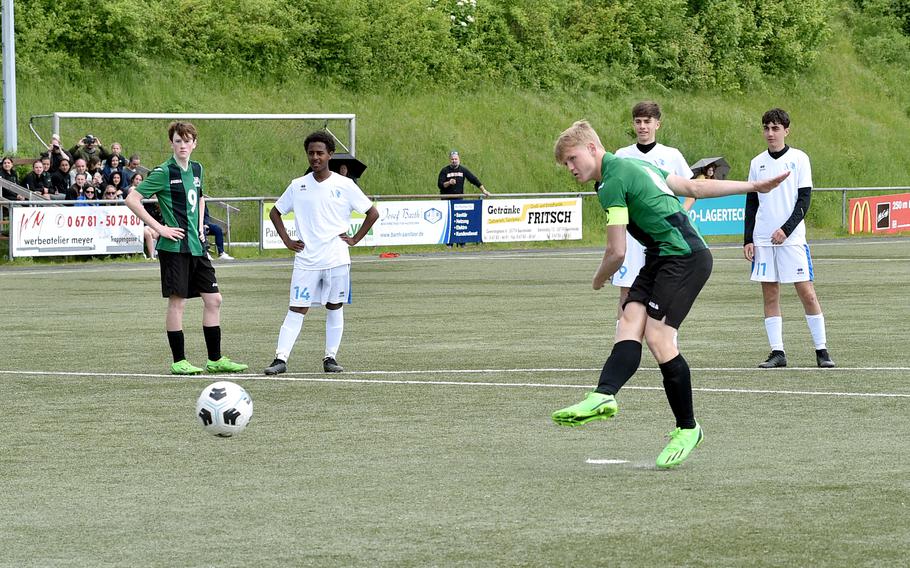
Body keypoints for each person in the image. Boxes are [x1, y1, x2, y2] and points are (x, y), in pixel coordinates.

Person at [550, 120, 788, 469]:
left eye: (572, 159)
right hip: (661, 256)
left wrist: (598, 279)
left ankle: (688, 428)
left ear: (591, 148)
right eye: (566, 164)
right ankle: (603, 396)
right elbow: (692, 186)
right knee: (629, 321)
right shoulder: (636, 165)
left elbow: (616, 252)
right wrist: (753, 185)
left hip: (685, 257)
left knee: (659, 337)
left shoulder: (613, 182)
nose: (570, 168)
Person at [124, 120, 248, 376]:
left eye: (187, 140)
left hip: (196, 245)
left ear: (194, 143)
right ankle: (179, 360)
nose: (182, 145)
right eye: (178, 140)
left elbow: (200, 197)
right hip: (174, 247)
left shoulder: (197, 168)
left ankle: (215, 359)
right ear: (172, 143)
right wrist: (160, 228)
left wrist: (201, 226)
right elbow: (132, 199)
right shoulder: (163, 172)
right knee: (177, 302)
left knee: (214, 299)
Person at [263, 130, 379, 376]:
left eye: (320, 153)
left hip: (337, 258)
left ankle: (330, 357)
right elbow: (275, 212)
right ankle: (280, 359)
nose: (315, 157)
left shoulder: (345, 185)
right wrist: (286, 240)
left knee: (335, 306)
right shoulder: (298, 185)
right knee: (297, 308)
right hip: (306, 259)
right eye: (311, 153)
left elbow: (372, 212)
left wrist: (355, 239)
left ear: (330, 155)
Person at [744, 108, 834, 369]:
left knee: (806, 292)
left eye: (775, 128)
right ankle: (777, 352)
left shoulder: (799, 159)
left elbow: (804, 200)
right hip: (762, 240)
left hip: (792, 240)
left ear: (786, 130)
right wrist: (747, 239)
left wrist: (786, 229)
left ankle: (821, 350)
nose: (770, 133)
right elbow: (751, 202)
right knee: (770, 294)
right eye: (766, 128)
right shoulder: (757, 162)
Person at [613, 101, 695, 324]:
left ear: (657, 124)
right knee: (627, 291)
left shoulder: (671, 155)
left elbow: (691, 190)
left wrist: (679, 215)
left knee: (665, 293)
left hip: (662, 237)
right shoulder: (622, 155)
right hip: (633, 235)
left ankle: (667, 345)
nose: (642, 126)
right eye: (638, 122)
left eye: (647, 121)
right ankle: (623, 346)